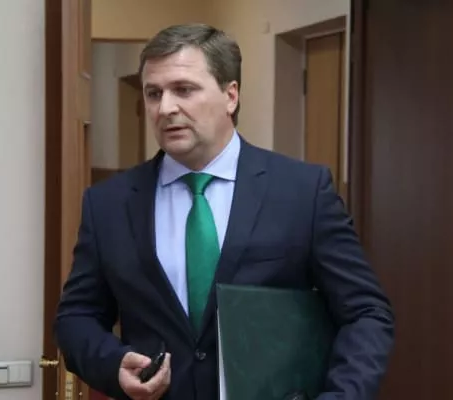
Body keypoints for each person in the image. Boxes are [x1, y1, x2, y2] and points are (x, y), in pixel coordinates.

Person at [54, 23, 394, 400]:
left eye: (184, 89)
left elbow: (366, 313)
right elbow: (76, 318)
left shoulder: (302, 192)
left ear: (230, 96)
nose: (165, 108)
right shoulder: (108, 204)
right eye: (154, 93)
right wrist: (113, 363)